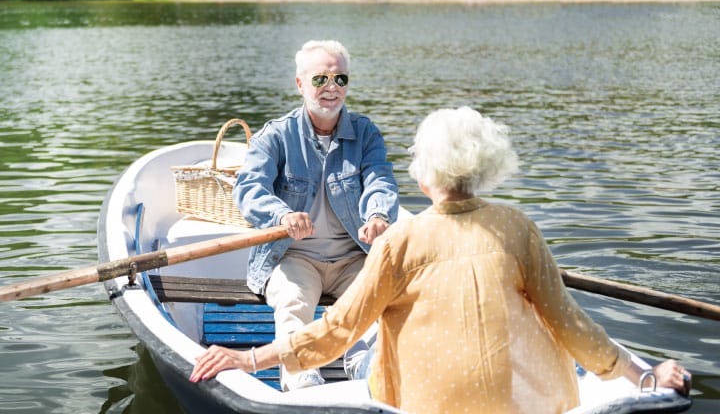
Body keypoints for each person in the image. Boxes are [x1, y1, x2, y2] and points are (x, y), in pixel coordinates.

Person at [192, 106, 691, 413]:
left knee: (366, 345)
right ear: (482, 167)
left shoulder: (398, 242)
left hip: (422, 405)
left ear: (425, 172)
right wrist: (644, 377)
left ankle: (343, 375)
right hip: (517, 403)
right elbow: (569, 323)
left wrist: (247, 357)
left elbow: (335, 330)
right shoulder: (519, 228)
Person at [229, 39, 399, 390]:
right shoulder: (275, 136)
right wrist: (281, 215)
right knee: (293, 306)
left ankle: (367, 375)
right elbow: (247, 190)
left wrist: (378, 215)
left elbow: (380, 180)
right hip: (294, 257)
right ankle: (302, 382)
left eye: (340, 79)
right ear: (300, 84)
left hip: (354, 256)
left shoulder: (365, 133)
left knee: (371, 314)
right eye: (320, 79)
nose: (331, 88)